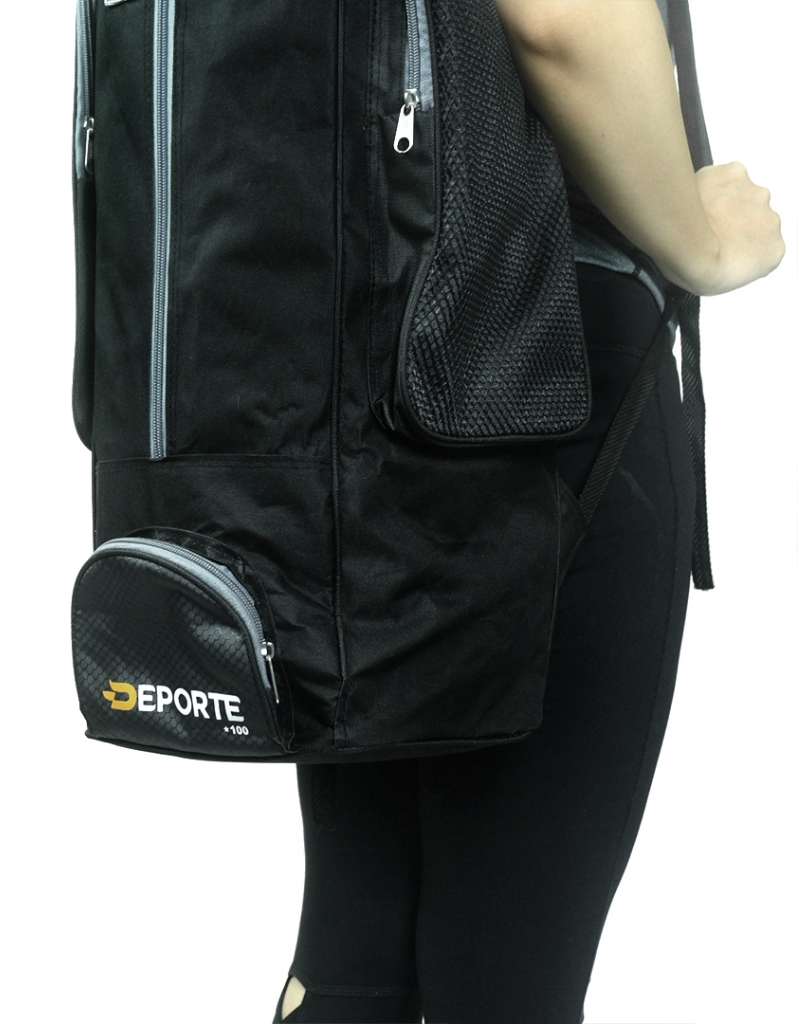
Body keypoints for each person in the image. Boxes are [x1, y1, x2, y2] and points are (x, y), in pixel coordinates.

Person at [273, 2, 785, 1022]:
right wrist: (702, 245)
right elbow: (559, 19)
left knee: (354, 948)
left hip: (337, 379)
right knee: (507, 976)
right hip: (538, 378)